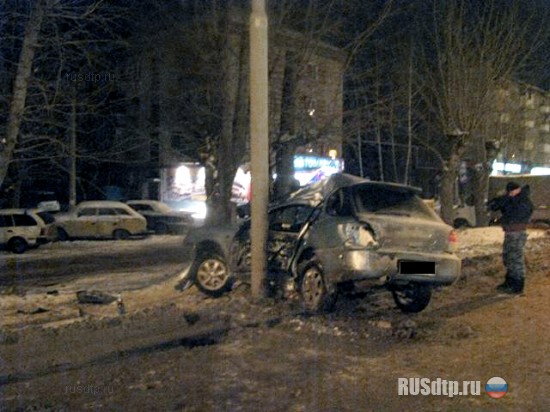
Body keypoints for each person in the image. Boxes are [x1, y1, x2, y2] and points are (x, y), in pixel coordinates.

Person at [488, 182, 534, 294]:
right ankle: (510, 281)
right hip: (510, 232)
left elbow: (512, 211)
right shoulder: (515, 199)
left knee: (516, 259)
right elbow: (494, 206)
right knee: (508, 257)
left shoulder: (522, 201)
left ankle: (518, 285)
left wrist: (506, 198)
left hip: (517, 233)